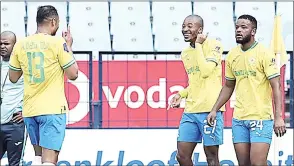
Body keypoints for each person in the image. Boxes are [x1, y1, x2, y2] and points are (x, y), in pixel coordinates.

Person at [207, 14, 286, 166]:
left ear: (253, 31)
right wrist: (214, 109)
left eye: (244, 27)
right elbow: (228, 86)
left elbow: (276, 86)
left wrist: (278, 117)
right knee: (244, 164)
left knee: (257, 163)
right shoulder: (232, 55)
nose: (239, 30)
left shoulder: (264, 53)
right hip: (239, 120)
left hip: (261, 118)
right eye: (237, 27)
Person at [8, 5, 79, 166]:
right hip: (52, 110)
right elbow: (73, 74)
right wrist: (69, 46)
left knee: (38, 158)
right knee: (49, 160)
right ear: (53, 22)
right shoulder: (58, 43)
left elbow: (13, 77)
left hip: (30, 110)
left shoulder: (21, 44)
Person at [168, 15, 224, 166]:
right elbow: (195, 82)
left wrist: (198, 45)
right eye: (183, 26)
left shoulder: (215, 45)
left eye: (190, 26)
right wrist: (181, 94)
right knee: (182, 156)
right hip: (191, 110)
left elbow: (206, 71)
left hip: (210, 109)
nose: (185, 29)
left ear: (200, 30)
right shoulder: (185, 53)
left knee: (211, 158)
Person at [0, 31, 26, 166]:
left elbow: (34, 90)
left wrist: (26, 112)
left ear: (15, 46)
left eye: (6, 43)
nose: (2, 46)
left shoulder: (23, 66)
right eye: (0, 43)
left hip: (14, 124)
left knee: (15, 163)